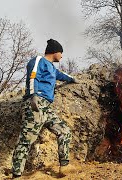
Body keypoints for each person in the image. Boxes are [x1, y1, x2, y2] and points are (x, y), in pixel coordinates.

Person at [11, 39, 77, 178]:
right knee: (26, 139)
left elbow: (62, 75)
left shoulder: (51, 67)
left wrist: (73, 79)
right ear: (55, 52)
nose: (62, 56)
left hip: (46, 108)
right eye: (61, 53)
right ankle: (16, 175)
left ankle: (64, 166)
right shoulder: (38, 60)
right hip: (36, 103)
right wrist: (32, 95)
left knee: (64, 131)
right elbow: (33, 76)